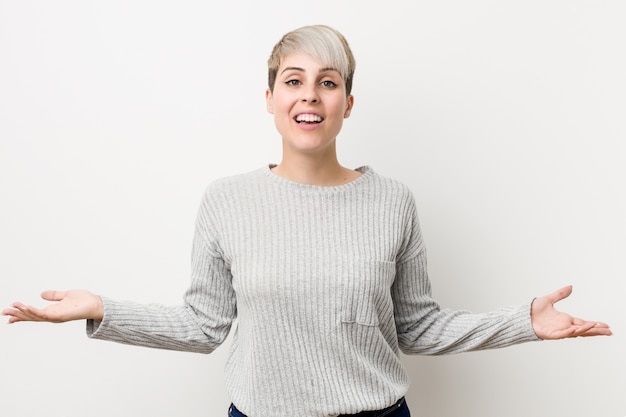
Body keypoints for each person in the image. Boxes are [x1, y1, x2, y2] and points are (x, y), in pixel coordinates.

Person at [2, 25, 612, 417]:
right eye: (293, 81)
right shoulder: (226, 200)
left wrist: (521, 323)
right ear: (270, 99)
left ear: (348, 103)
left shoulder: (393, 201)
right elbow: (204, 325)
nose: (310, 96)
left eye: (328, 83)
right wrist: (100, 309)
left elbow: (416, 327)